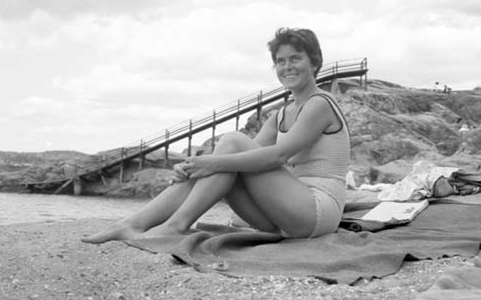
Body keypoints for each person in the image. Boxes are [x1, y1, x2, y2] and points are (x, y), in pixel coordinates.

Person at [82, 27, 351, 243]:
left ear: (314, 62)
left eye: (295, 58)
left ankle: (176, 226)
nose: (287, 66)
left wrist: (210, 162)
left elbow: (277, 156)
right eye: (280, 61)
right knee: (226, 159)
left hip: (316, 212)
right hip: (284, 216)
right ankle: (131, 224)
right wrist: (192, 167)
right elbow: (244, 160)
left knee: (230, 142)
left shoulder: (320, 104)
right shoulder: (280, 115)